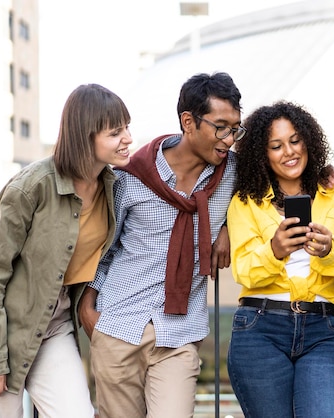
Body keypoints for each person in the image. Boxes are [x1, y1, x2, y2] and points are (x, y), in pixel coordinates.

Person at [0, 84, 133, 417]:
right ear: (86, 136)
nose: (128, 138)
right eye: (115, 132)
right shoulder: (31, 187)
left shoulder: (114, 185)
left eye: (127, 127)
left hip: (55, 327)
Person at [78, 72, 243, 418]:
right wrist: (87, 307)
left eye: (235, 128)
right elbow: (103, 248)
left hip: (179, 335)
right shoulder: (131, 176)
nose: (229, 139)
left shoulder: (233, 175)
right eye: (221, 127)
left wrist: (227, 224)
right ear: (189, 122)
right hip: (119, 325)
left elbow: (285, 174)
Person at [226, 100, 334, 418]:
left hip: (323, 329)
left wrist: (329, 249)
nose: (288, 152)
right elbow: (244, 271)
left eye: (295, 140)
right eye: (276, 146)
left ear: (308, 140)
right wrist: (274, 250)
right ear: (263, 154)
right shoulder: (246, 202)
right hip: (260, 329)